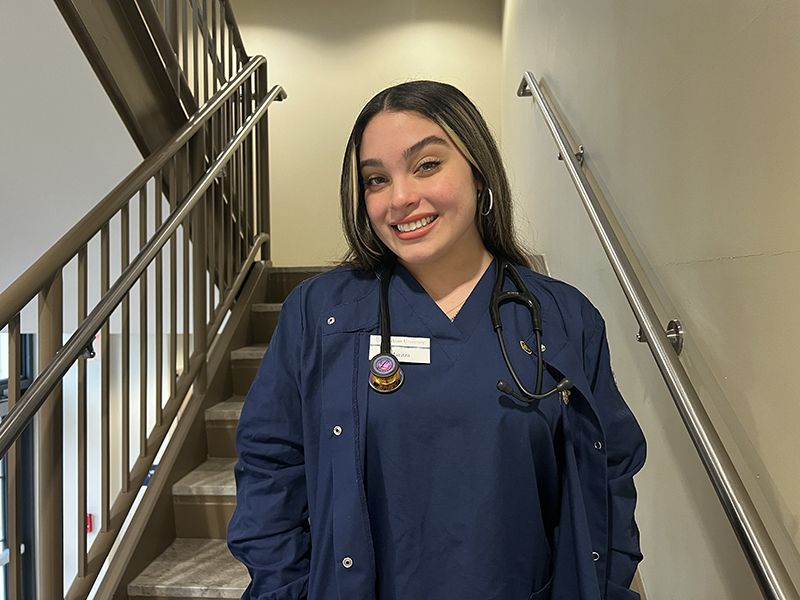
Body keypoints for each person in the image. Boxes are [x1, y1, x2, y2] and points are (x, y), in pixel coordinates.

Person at [228, 80, 646, 600]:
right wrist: (284, 589)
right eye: (376, 180)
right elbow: (270, 468)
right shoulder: (321, 314)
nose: (400, 198)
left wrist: (605, 583)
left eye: (426, 165)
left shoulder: (562, 317)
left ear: (478, 171)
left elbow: (608, 470)